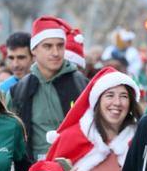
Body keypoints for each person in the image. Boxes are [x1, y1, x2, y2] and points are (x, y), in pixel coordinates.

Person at [9, 16, 88, 159]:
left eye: (60, 45)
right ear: (34, 50)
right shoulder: (18, 90)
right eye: (48, 46)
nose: (56, 53)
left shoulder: (82, 84)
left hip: (77, 168)